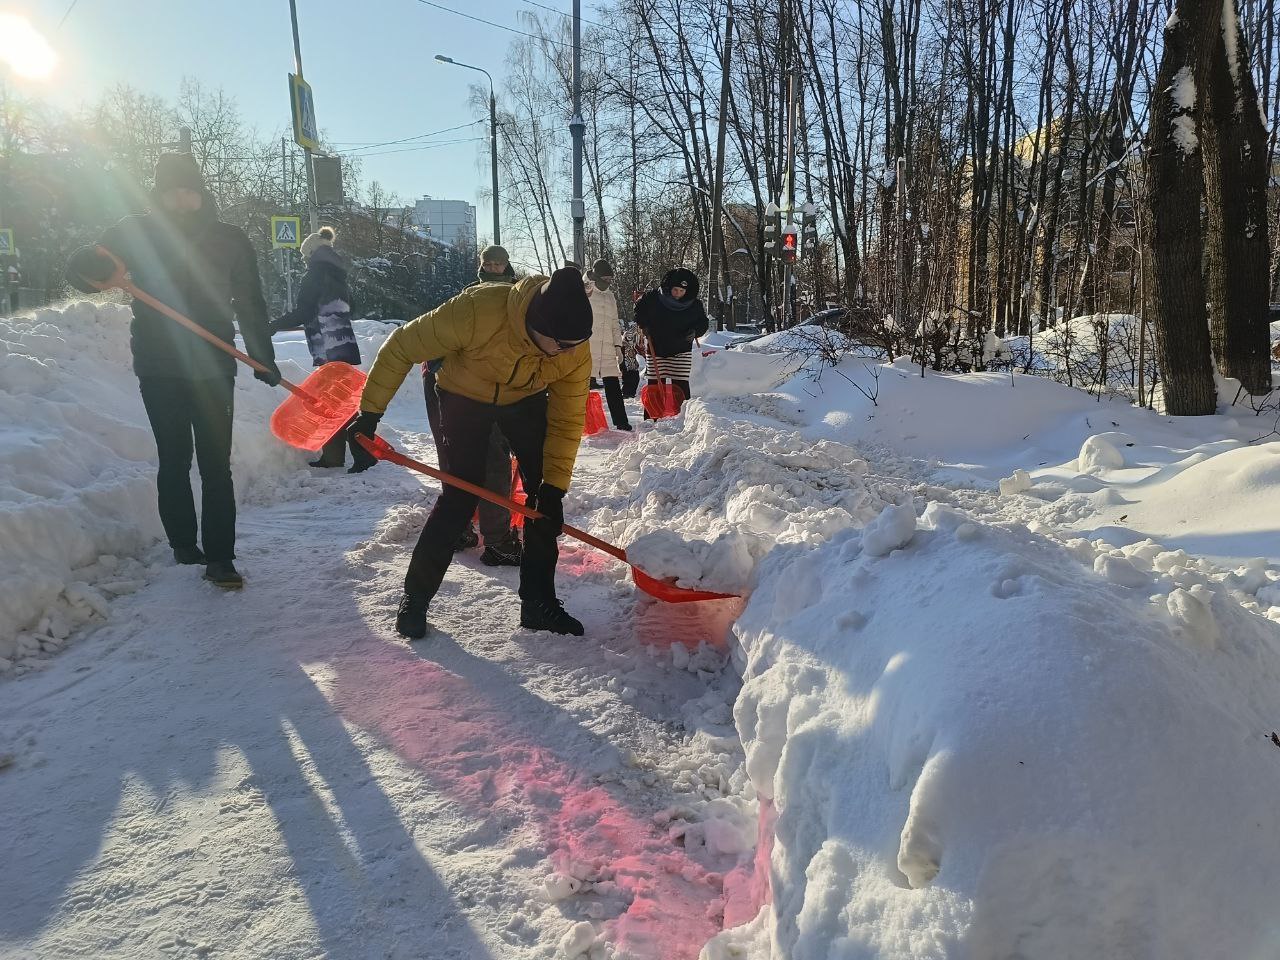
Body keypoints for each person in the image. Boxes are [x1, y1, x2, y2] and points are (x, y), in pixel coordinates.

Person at [66, 153, 280, 590]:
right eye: (171, 190)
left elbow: (250, 302)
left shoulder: (230, 239)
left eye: (189, 190)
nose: (181, 199)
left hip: (213, 365)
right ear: (158, 192)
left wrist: (262, 355)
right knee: (175, 457)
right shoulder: (133, 232)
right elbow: (86, 272)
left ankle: (221, 558)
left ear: (202, 192)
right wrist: (90, 267)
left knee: (216, 464)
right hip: (159, 364)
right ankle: (184, 542)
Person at [348, 267, 593, 639]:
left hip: (524, 399)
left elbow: (567, 419)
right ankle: (415, 597)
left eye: (574, 345)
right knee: (460, 494)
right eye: (560, 344)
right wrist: (370, 413)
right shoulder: (478, 311)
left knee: (543, 502)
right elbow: (401, 346)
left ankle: (539, 603)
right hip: (463, 394)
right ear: (536, 323)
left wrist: (555, 487)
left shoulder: (571, 348)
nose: (568, 352)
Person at [409, 245, 523, 566]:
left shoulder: (514, 304)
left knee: (464, 459)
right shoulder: (471, 302)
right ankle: (497, 541)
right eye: (489, 263)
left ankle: (458, 528)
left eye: (499, 263)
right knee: (488, 460)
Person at [271, 226, 360, 468]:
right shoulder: (338, 273)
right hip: (345, 344)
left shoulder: (315, 274)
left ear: (311, 253)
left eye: (304, 256)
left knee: (329, 404)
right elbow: (353, 306)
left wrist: (275, 325)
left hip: (327, 346)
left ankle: (334, 457)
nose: (304, 260)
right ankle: (361, 453)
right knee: (343, 402)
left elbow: (304, 310)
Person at [634, 268, 708, 413]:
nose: (678, 295)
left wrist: (695, 332)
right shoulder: (653, 297)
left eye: (682, 291)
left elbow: (703, 323)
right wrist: (644, 324)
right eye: (675, 290)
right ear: (669, 287)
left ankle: (681, 416)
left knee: (680, 385)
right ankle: (653, 415)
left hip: (681, 350)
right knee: (655, 384)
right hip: (657, 347)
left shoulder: (694, 305)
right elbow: (639, 310)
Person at [584, 259, 632, 431]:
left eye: (611, 279)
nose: (608, 282)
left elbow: (614, 323)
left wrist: (618, 346)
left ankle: (621, 421)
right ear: (596, 276)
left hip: (608, 348)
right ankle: (579, 423)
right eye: (605, 278)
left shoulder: (610, 296)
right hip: (588, 347)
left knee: (613, 386)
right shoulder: (585, 291)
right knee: (582, 387)